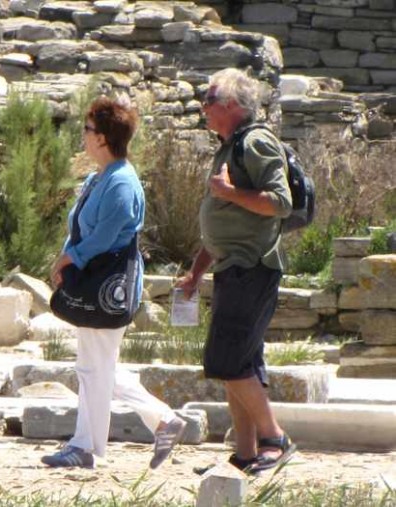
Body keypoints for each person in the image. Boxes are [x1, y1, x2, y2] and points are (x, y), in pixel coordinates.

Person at [41, 96, 186, 469]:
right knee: (99, 367)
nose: (84, 136)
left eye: (89, 130)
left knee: (94, 368)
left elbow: (106, 236)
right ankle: (161, 420)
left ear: (104, 137)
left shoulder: (122, 182)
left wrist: (72, 258)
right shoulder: (99, 178)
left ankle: (86, 447)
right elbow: (79, 228)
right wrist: (65, 257)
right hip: (92, 280)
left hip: (108, 285)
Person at [177, 68, 297, 474]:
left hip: (253, 268)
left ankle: (274, 438)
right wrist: (196, 274)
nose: (203, 108)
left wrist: (229, 193)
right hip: (234, 268)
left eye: (208, 100)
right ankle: (245, 454)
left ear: (230, 105)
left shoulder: (257, 142)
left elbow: (280, 202)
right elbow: (221, 226)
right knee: (239, 364)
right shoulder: (229, 147)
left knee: (226, 361)